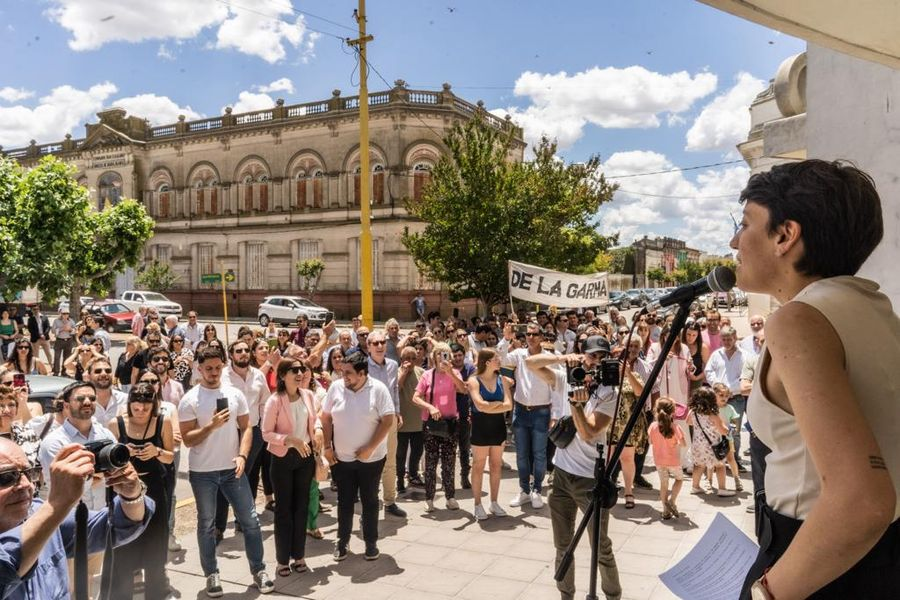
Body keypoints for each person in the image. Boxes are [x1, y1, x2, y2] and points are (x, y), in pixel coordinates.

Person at [732, 160, 900, 599]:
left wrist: (769, 592)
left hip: (820, 566)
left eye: (745, 223)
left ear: (785, 235)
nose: (735, 241)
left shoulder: (798, 319)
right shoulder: (877, 310)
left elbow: (863, 501)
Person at [0, 437, 154, 600]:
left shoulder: (38, 513)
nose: (26, 485)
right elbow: (5, 571)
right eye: (7, 477)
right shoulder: (48, 514)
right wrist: (57, 504)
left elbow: (117, 526)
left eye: (29, 473)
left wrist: (132, 495)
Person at [178, 346, 274, 597]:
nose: (213, 373)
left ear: (223, 365)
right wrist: (210, 426)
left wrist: (242, 455)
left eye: (217, 367)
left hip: (233, 470)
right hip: (203, 472)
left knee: (251, 521)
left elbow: (248, 427)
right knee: (206, 524)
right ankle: (211, 574)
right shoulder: (190, 399)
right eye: (208, 369)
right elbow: (188, 439)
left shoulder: (234, 394)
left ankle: (259, 570)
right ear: (199, 369)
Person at [546, 335, 622, 600]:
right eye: (592, 356)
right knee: (562, 545)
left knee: (600, 546)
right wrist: (561, 358)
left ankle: (612, 595)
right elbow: (533, 364)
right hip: (562, 474)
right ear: (582, 355)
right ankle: (566, 595)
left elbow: (589, 432)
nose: (596, 362)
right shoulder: (571, 376)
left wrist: (576, 405)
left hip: (589, 479)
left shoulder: (609, 392)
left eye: (602, 357)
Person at [37, 381, 121, 595]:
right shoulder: (54, 443)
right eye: (80, 398)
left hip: (99, 520)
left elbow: (117, 473)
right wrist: (98, 475)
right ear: (66, 405)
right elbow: (60, 486)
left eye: (92, 399)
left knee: (91, 581)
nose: (87, 402)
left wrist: (91, 476)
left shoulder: (105, 435)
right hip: (68, 525)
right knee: (71, 586)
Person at [320, 350, 395, 562]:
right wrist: (327, 446)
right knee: (344, 501)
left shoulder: (378, 390)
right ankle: (342, 542)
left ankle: (371, 543)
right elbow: (325, 418)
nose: (344, 377)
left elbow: (387, 421)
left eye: (348, 373)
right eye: (342, 372)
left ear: (362, 374)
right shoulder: (336, 388)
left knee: (370, 500)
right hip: (342, 459)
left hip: (371, 459)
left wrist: (370, 447)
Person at [106, 383, 174, 600]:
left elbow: (170, 457)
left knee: (155, 545)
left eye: (146, 408)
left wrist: (157, 451)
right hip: (124, 489)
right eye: (136, 408)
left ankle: (156, 593)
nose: (141, 412)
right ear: (129, 405)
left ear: (153, 406)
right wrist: (123, 453)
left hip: (153, 488)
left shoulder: (163, 422)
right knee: (124, 547)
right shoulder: (115, 425)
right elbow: (107, 461)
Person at [261, 358, 319, 577]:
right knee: (284, 510)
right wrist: (290, 440)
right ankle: (282, 560)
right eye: (294, 370)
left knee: (301, 508)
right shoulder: (274, 401)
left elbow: (316, 419)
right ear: (283, 375)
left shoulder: (309, 396)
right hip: (283, 458)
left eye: (301, 369)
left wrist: (320, 429)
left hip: (305, 457)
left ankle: (300, 556)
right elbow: (265, 434)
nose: (299, 373)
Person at [498, 322, 555, 509]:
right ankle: (524, 490)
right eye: (528, 334)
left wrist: (554, 415)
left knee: (539, 454)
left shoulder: (549, 357)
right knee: (521, 454)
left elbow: (555, 387)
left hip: (541, 412)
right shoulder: (519, 354)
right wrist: (506, 338)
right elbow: (500, 358)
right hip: (521, 411)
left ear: (542, 337)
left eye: (535, 334)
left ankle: (537, 489)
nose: (531, 337)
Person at [412, 343, 466, 512]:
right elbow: (415, 397)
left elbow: (463, 390)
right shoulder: (427, 375)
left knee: (449, 462)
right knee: (430, 462)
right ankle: (429, 498)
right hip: (432, 424)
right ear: (433, 357)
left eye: (446, 354)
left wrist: (450, 372)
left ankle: (450, 497)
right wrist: (430, 407)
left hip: (450, 423)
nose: (442, 358)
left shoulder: (454, 373)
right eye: (439, 354)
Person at [466, 348, 512, 520]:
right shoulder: (474, 380)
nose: (499, 360)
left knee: (495, 465)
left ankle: (494, 501)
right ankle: (478, 504)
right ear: (487, 362)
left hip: (498, 426)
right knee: (478, 465)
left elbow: (509, 405)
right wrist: (497, 404)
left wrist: (489, 405)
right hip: (480, 427)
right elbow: (479, 405)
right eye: (496, 358)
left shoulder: (502, 380)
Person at [365, 330, 405, 518]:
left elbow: (395, 391)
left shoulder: (393, 365)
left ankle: (389, 501)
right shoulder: (362, 366)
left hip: (390, 420)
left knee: (390, 462)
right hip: (369, 422)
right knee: (368, 462)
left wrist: (397, 412)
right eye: (376, 343)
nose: (380, 346)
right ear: (368, 346)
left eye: (382, 342)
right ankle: (368, 500)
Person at [703, 325, 747, 470]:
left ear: (735, 338)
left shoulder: (744, 356)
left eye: (729, 339)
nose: (727, 342)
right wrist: (717, 385)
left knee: (734, 431)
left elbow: (744, 377)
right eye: (724, 339)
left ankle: (734, 459)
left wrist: (728, 389)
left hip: (736, 399)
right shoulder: (716, 354)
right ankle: (718, 457)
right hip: (717, 400)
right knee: (716, 428)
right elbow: (708, 371)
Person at [687, 387, 734, 497]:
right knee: (720, 465)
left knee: (698, 465)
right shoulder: (712, 414)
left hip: (697, 445)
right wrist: (729, 429)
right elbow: (723, 430)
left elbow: (688, 422)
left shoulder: (693, 412)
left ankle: (695, 486)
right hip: (712, 445)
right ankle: (722, 489)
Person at [648, 398, 686, 520]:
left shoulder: (653, 426)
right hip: (673, 461)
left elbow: (650, 441)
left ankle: (665, 511)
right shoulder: (675, 427)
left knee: (663, 484)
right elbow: (684, 444)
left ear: (656, 411)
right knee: (679, 479)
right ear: (673, 412)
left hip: (659, 461)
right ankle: (672, 500)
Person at [396, 347, 424, 492]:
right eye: (407, 358)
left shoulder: (421, 372)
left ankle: (413, 475)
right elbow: (396, 388)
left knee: (417, 451)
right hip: (402, 421)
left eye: (414, 358)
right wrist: (405, 372)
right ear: (401, 360)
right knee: (400, 454)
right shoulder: (396, 371)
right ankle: (399, 479)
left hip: (419, 420)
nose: (411, 361)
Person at [450, 343, 475, 489]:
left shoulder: (470, 368)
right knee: (449, 449)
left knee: (465, 448)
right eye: (455, 355)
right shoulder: (447, 368)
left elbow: (468, 387)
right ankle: (449, 478)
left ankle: (465, 476)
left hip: (465, 413)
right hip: (449, 413)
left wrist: (458, 385)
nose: (458, 358)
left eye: (460, 355)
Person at [0, 385, 40, 471]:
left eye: (11, 405)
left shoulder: (28, 434)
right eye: (1, 405)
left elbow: (39, 469)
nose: (7, 410)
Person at [712, 383, 743, 493]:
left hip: (727, 439)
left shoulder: (730, 408)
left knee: (731, 459)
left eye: (726, 396)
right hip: (713, 439)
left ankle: (736, 478)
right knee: (712, 461)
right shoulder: (712, 409)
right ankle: (709, 481)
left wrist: (734, 428)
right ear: (714, 395)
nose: (724, 398)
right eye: (721, 395)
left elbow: (735, 421)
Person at [50, 310, 76, 376]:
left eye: (67, 313)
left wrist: (70, 329)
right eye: (64, 313)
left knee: (66, 357)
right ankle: (56, 372)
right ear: (61, 314)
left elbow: (75, 330)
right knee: (57, 357)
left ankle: (64, 371)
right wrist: (62, 329)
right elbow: (53, 331)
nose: (65, 315)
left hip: (68, 340)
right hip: (59, 340)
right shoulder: (56, 321)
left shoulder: (71, 321)